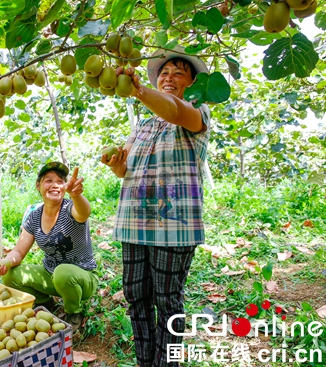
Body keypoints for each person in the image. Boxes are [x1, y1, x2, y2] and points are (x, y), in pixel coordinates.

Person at [100, 45, 211, 367]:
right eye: (164, 73)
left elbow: (175, 112)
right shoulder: (144, 127)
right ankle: (146, 361)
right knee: (136, 297)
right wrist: (116, 165)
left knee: (168, 302)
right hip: (135, 223)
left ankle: (169, 363)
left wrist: (138, 89)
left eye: (179, 73)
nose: (169, 78)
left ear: (191, 83)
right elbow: (125, 172)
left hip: (174, 227)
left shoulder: (197, 114)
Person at [0, 162, 98, 333]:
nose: (55, 185)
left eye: (60, 181)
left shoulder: (70, 208)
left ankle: (74, 312)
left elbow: (84, 212)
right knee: (12, 275)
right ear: (38, 185)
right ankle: (45, 302)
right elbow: (18, 251)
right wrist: (6, 262)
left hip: (81, 279)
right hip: (51, 275)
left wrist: (76, 195)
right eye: (48, 180)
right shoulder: (34, 217)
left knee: (63, 273)